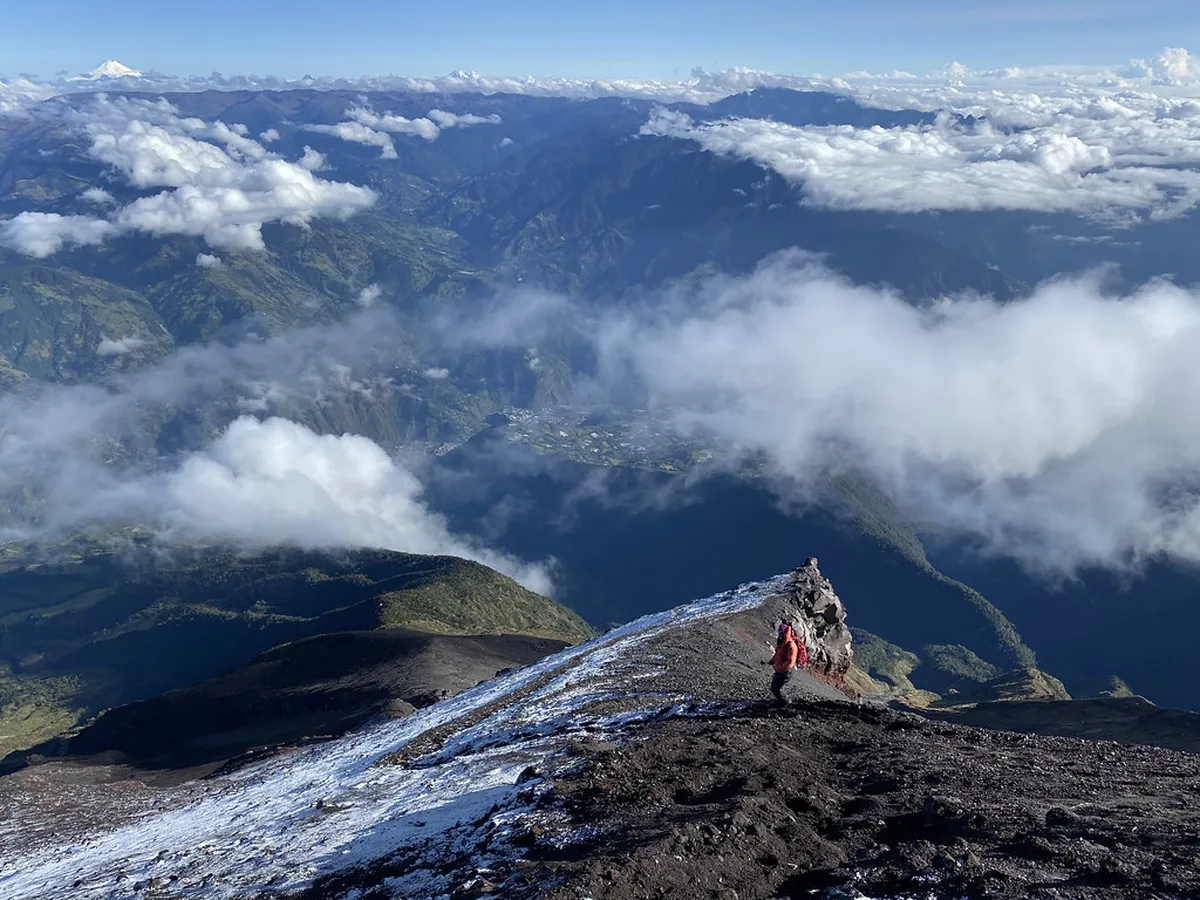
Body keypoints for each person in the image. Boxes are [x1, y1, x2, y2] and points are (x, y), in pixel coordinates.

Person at [768, 620, 808, 706]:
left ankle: (785, 702)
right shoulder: (782, 643)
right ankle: (782, 701)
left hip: (786, 670)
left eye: (781, 633)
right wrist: (771, 662)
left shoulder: (791, 645)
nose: (779, 635)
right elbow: (777, 655)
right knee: (775, 687)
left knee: (776, 688)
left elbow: (790, 661)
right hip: (781, 669)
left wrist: (781, 669)